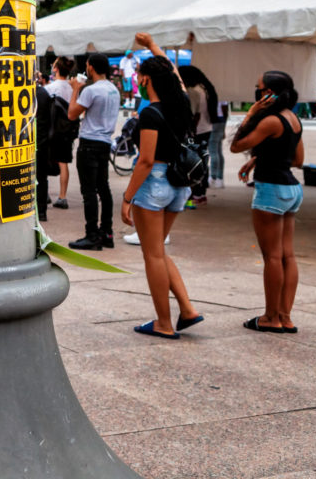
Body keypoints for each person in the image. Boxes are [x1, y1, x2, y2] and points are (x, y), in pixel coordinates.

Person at [118, 33, 203, 339]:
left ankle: (164, 323)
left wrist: (127, 198)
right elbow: (173, 71)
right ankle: (188, 309)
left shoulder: (150, 113)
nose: (137, 79)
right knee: (160, 252)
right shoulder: (180, 100)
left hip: (155, 183)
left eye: (140, 75)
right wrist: (152, 46)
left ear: (146, 80)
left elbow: (145, 160)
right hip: (180, 185)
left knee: (152, 255)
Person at [230, 71, 304, 334]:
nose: (257, 93)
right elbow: (297, 159)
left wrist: (250, 115)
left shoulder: (270, 120)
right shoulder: (292, 118)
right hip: (292, 190)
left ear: (270, 92)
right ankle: (285, 316)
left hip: (271, 189)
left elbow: (236, 146)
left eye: (259, 88)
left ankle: (271, 317)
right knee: (287, 255)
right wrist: (259, 158)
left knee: (272, 257)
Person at [66, 53, 121, 249]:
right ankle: (107, 231)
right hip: (105, 142)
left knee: (89, 192)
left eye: (88, 65)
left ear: (91, 68)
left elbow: (72, 114)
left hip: (89, 143)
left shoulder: (91, 90)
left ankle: (92, 234)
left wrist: (75, 90)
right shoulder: (114, 90)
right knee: (103, 188)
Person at [179, 65, 218, 205]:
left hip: (197, 130)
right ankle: (201, 192)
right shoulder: (203, 88)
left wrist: (190, 133)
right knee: (202, 159)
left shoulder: (192, 91)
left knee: (193, 162)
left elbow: (194, 114)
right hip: (206, 128)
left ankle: (196, 192)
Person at [45, 57, 77, 209]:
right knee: (63, 163)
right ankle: (62, 196)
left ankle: (44, 194)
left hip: (51, 130)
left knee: (44, 161)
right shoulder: (71, 88)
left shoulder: (51, 88)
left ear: (56, 69)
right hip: (66, 130)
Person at [35, 82, 52, 222]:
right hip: (42, 142)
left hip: (27, 141)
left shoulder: (19, 90)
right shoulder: (43, 93)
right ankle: (42, 211)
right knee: (41, 178)